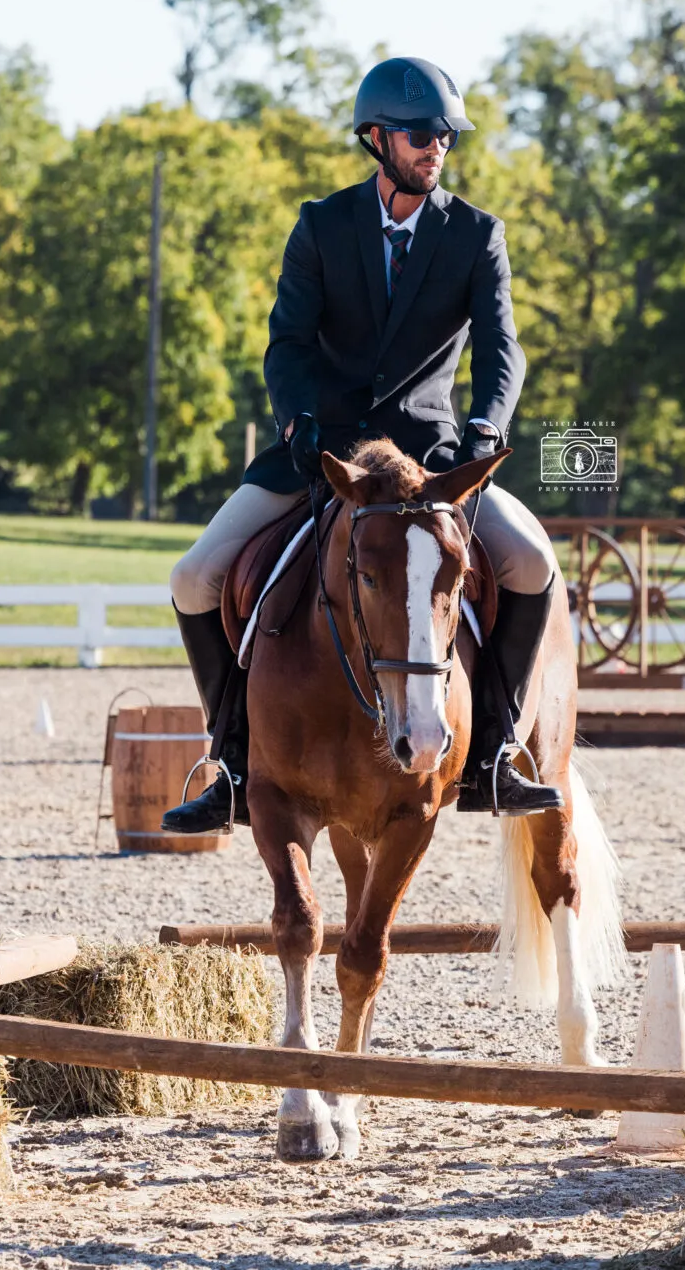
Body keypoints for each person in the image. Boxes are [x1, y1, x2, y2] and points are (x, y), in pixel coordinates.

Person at [159, 55, 564, 834]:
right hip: (324, 454)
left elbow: (502, 349)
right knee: (193, 578)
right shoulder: (321, 225)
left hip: (432, 461)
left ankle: (496, 755)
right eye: (419, 135)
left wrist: (487, 427)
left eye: (445, 135)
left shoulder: (477, 235)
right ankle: (231, 761)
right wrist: (298, 418)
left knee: (533, 565)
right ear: (376, 138)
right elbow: (287, 343)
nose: (435, 148)